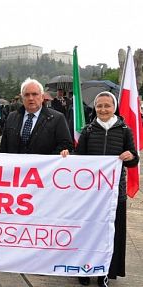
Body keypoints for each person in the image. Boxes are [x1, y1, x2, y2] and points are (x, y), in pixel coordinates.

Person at [61, 91, 139, 287]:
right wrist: (67, 155)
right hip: (91, 195)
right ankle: (84, 269)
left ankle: (105, 272)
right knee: (87, 231)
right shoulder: (87, 130)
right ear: (94, 108)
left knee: (111, 234)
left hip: (114, 194)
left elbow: (134, 160)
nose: (103, 109)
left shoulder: (124, 130)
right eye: (99, 106)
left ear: (114, 108)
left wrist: (131, 156)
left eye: (107, 105)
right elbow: (80, 160)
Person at [0, 78, 73, 154]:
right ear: (22, 98)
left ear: (42, 97)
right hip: (16, 165)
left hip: (44, 165)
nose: (31, 98)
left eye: (34, 94)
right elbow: (4, 148)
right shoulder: (11, 117)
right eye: (27, 95)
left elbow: (66, 145)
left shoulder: (57, 118)